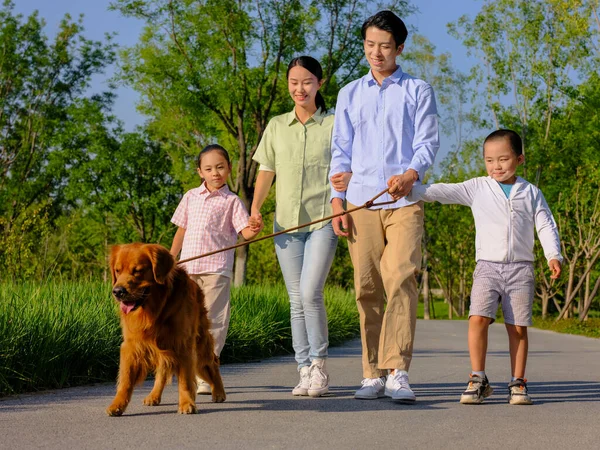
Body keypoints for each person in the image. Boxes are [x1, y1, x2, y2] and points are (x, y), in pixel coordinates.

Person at [403, 129, 563, 405]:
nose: (496, 166)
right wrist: (409, 190)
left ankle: (518, 383)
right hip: (487, 266)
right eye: (489, 160)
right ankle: (478, 378)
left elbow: (545, 224)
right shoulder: (478, 187)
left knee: (518, 327)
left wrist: (553, 254)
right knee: (477, 319)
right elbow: (442, 191)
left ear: (520, 158)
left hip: (521, 269)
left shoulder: (531, 192)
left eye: (503, 159)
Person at [329, 10, 439, 403]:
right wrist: (337, 200)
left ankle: (398, 370)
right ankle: (371, 373)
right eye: (371, 44)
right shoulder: (349, 93)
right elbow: (340, 149)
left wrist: (411, 173)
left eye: (385, 46)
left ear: (400, 48)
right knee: (367, 287)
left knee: (401, 276)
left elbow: (427, 142)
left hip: (404, 199)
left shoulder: (417, 90)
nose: (377, 53)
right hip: (360, 200)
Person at [250, 56, 337, 398]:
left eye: (306, 82)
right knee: (295, 299)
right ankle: (302, 370)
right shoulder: (276, 125)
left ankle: (319, 366)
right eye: (293, 82)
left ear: (319, 83)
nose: (299, 89)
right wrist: (255, 209)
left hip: (323, 220)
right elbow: (266, 171)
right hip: (285, 223)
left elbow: (345, 167)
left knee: (309, 293)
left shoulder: (334, 123)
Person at [170, 144, 263, 394]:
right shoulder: (190, 196)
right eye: (209, 168)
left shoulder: (232, 201)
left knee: (213, 322)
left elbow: (245, 233)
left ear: (230, 169)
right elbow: (181, 229)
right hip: (187, 270)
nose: (215, 173)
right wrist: (171, 258)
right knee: (185, 321)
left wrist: (254, 227)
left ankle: (204, 371)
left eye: (220, 167)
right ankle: (186, 369)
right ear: (200, 171)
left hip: (216, 270)